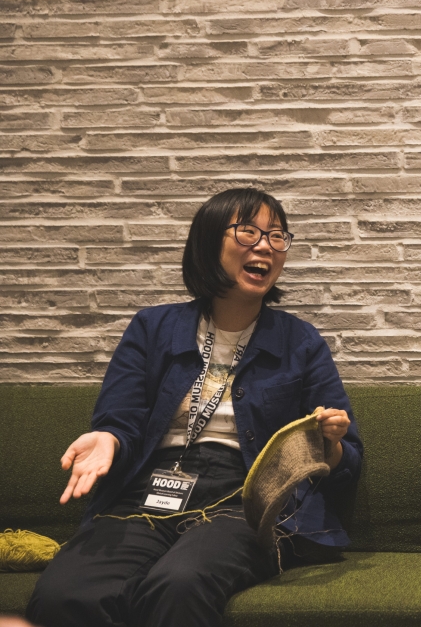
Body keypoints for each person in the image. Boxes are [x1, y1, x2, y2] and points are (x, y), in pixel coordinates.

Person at [27, 188, 363, 627]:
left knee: (179, 583)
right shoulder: (153, 327)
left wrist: (328, 444)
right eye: (248, 232)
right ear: (208, 241)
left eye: (277, 236)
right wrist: (107, 438)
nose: (266, 245)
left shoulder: (300, 341)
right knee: (63, 594)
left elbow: (349, 462)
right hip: (147, 490)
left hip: (244, 498)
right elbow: (120, 420)